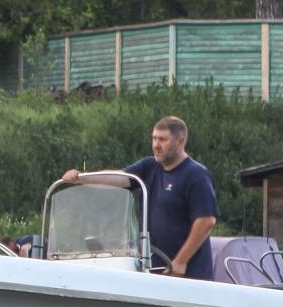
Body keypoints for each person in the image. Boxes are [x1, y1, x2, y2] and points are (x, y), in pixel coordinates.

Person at [62, 114, 218, 279]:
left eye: (163, 140)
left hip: (189, 277)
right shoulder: (149, 166)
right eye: (154, 139)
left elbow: (206, 220)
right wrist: (81, 178)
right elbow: (120, 179)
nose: (156, 145)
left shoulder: (196, 175)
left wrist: (180, 261)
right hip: (154, 272)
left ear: (180, 142)